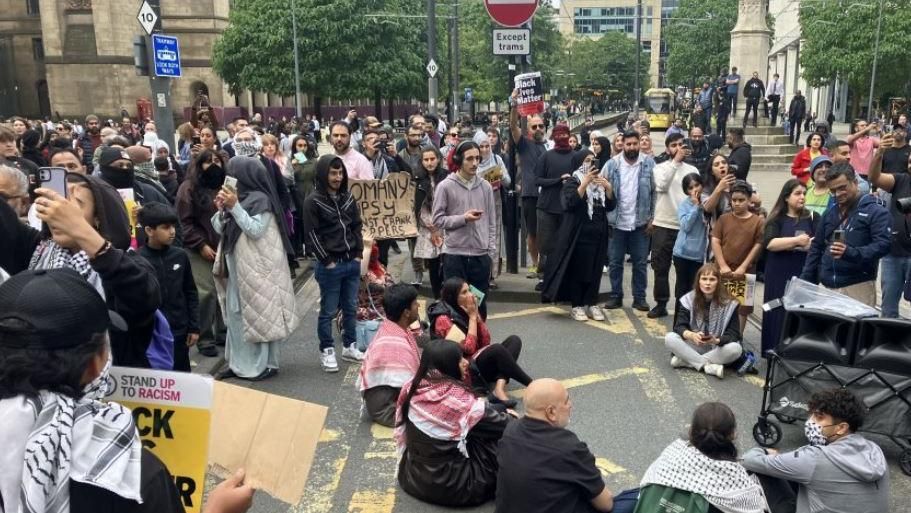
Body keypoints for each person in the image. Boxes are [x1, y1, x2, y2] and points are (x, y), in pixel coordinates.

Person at [7, 173, 161, 368]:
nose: (61, 213)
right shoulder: (38, 250)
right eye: (58, 204)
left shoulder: (128, 262)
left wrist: (81, 232)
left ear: (99, 216)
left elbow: (145, 296)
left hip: (113, 386)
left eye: (74, 205)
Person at [394, 339, 513, 507]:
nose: (466, 363)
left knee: (477, 425)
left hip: (413, 478)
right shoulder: (460, 402)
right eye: (459, 359)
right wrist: (510, 416)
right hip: (458, 487)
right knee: (502, 440)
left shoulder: (411, 388)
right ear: (447, 365)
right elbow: (507, 427)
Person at [212, 157, 299, 381]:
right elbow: (219, 227)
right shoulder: (238, 198)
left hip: (259, 270)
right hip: (237, 269)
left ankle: (265, 365)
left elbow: (256, 229)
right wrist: (222, 210)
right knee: (235, 316)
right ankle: (237, 363)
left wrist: (235, 207)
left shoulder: (261, 200)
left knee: (261, 316)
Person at [495, 379, 638, 513]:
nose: (571, 404)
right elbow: (606, 504)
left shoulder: (510, 431)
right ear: (551, 412)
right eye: (567, 400)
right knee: (640, 496)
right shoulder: (568, 447)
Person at [742, 389, 890, 513]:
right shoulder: (875, 450)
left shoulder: (815, 458)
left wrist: (765, 452)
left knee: (759, 472)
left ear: (841, 428)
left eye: (819, 418)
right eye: (811, 414)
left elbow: (749, 459)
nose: (810, 422)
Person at [640, 402, 766, 512]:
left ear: (691, 431)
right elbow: (756, 508)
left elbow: (644, 487)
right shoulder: (736, 478)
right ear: (732, 435)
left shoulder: (672, 452)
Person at [303, 155, 366, 372]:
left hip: (351, 262)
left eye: (340, 173)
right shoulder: (313, 201)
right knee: (328, 311)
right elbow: (312, 235)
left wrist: (359, 252)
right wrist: (327, 261)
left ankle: (349, 346)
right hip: (330, 265)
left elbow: (357, 225)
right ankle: (327, 350)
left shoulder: (348, 197)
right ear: (323, 174)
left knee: (350, 308)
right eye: (333, 173)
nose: (338, 177)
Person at [429, 277, 532, 404]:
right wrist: (472, 318)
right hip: (465, 369)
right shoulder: (443, 319)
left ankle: (499, 388)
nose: (471, 295)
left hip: (477, 361)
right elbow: (468, 349)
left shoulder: (465, 309)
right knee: (497, 350)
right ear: (453, 297)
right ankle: (533, 385)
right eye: (464, 292)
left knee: (514, 341)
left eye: (469, 290)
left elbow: (485, 341)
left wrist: (477, 317)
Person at [800, 162, 891, 304]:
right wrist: (805, 280)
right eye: (833, 190)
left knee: (855, 327)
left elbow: (883, 245)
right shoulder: (830, 213)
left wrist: (851, 252)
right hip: (827, 286)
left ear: (855, 182)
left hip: (858, 286)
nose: (838, 194)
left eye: (842, 188)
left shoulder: (876, 212)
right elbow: (816, 247)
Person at [542, 149, 615, 321]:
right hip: (579, 234)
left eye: (593, 160)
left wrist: (609, 188)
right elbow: (570, 203)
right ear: (579, 163)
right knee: (580, 270)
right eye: (587, 161)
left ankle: (592, 302)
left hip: (599, 232)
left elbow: (610, 206)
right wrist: (585, 183)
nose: (591, 164)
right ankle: (577, 305)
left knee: (596, 269)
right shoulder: (573, 181)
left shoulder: (598, 184)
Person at [432, 141, 498, 319]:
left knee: (478, 304)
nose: (475, 163)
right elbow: (437, 220)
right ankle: (456, 344)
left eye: (477, 158)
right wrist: (463, 218)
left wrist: (491, 253)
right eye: (469, 159)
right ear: (459, 160)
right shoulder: (445, 186)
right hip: (455, 255)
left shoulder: (485, 186)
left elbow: (492, 221)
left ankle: (479, 343)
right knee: (454, 307)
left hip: (480, 256)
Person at [176, 149, 227, 358]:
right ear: (199, 165)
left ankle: (223, 332)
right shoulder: (188, 188)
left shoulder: (227, 186)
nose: (213, 165)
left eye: (217, 161)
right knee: (206, 293)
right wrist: (200, 244)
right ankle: (205, 337)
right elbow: (183, 222)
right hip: (199, 249)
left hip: (224, 246)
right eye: (208, 162)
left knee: (224, 291)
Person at [138, 202, 199, 372]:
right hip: (151, 333)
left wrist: (194, 327)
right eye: (165, 227)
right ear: (149, 230)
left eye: (173, 226)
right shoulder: (137, 260)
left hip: (179, 330)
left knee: (181, 377)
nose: (172, 231)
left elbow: (190, 291)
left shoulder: (180, 256)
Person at [761, 180, 819, 354]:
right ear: (786, 197)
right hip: (778, 272)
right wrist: (796, 242)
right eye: (797, 193)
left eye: (804, 193)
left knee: (800, 312)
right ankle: (772, 349)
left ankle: (796, 351)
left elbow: (818, 243)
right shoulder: (776, 219)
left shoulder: (813, 217)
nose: (802, 197)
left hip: (803, 272)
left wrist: (808, 244)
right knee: (776, 308)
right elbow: (770, 243)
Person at [602, 131, 656, 312]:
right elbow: (600, 187)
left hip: (640, 224)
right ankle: (616, 296)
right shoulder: (612, 165)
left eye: (635, 144)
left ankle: (639, 298)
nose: (632, 147)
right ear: (622, 145)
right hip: (616, 223)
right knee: (615, 262)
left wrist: (652, 218)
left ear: (639, 144)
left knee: (640, 263)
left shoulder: (648, 164)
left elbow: (655, 193)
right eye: (628, 144)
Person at [358, 283, 421, 427]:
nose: (418, 306)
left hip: (385, 401)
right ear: (406, 312)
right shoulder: (396, 346)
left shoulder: (392, 327)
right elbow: (411, 388)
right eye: (415, 303)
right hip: (388, 411)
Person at [650, 133, 699, 318]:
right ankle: (661, 303)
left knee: (684, 270)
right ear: (667, 148)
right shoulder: (660, 167)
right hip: (663, 223)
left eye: (681, 144)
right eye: (673, 145)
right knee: (660, 267)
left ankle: (683, 308)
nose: (678, 148)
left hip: (685, 225)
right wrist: (675, 163)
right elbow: (662, 186)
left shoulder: (692, 169)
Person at [664, 264, 743, 379]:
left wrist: (715, 340)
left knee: (736, 349)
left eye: (712, 279)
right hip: (695, 344)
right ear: (698, 281)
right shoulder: (688, 299)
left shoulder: (730, 302)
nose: (707, 283)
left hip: (716, 347)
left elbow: (734, 333)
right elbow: (679, 326)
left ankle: (687, 361)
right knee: (670, 338)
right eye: (704, 279)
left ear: (718, 282)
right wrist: (692, 335)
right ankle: (708, 366)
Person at [710, 180, 763, 334]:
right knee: (718, 303)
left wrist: (743, 267)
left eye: (741, 200)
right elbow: (715, 240)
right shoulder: (724, 219)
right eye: (734, 200)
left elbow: (758, 245)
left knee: (742, 309)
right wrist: (722, 265)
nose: (737, 203)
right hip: (723, 270)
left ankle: (736, 339)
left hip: (744, 273)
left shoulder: (757, 221)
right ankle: (717, 335)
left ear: (749, 200)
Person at [868, 133, 911, 318]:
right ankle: (888, 342)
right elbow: (874, 178)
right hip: (893, 253)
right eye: (909, 162)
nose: (910, 165)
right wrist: (879, 153)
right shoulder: (901, 180)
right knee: (889, 308)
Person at [533, 125, 577, 291]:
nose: (562, 137)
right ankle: (544, 277)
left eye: (565, 134)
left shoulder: (575, 157)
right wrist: (558, 180)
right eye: (559, 135)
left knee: (566, 244)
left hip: (568, 208)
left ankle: (565, 277)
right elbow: (537, 180)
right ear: (553, 137)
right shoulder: (546, 156)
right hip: (547, 207)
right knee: (545, 245)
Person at [510, 96, 548, 279]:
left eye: (541, 126)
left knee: (547, 233)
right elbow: (512, 127)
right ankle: (535, 264)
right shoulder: (524, 144)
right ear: (529, 130)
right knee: (533, 233)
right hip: (531, 195)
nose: (538, 129)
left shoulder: (550, 145)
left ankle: (545, 264)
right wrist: (514, 104)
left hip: (549, 196)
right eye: (534, 126)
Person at [475, 131, 509, 288]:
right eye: (481, 146)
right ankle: (478, 273)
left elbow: (508, 181)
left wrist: (500, 175)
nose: (484, 149)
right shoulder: (472, 161)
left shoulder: (497, 159)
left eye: (487, 146)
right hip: (476, 202)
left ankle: (491, 275)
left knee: (494, 237)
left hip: (495, 202)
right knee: (477, 237)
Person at [413, 146, 448, 298]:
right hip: (428, 227)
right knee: (433, 265)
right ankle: (436, 296)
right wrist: (431, 226)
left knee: (447, 262)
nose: (429, 163)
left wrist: (441, 224)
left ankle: (448, 296)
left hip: (446, 226)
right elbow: (416, 205)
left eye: (432, 159)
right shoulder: (417, 180)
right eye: (426, 160)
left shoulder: (448, 176)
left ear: (438, 159)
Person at [672, 173, 708, 305]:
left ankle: (691, 322)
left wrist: (701, 205)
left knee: (695, 292)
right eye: (690, 188)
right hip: (682, 254)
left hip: (698, 255)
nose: (695, 190)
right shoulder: (684, 205)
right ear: (686, 191)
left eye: (697, 185)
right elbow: (686, 226)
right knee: (682, 290)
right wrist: (695, 207)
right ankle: (679, 323)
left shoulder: (708, 201)